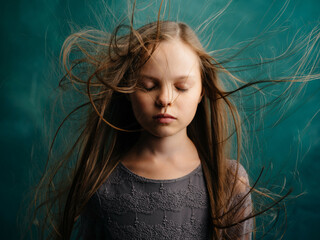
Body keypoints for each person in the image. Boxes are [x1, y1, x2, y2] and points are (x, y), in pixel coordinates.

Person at [30, 2, 319, 240]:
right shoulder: (100, 182)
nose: (165, 98)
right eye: (148, 84)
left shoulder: (228, 182)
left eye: (181, 87)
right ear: (128, 89)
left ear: (202, 90)